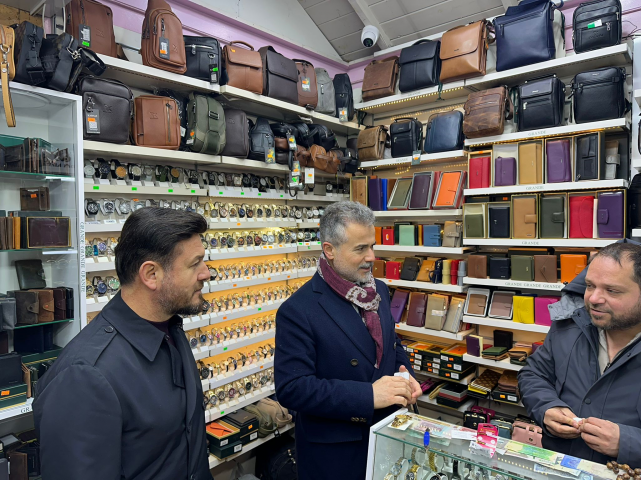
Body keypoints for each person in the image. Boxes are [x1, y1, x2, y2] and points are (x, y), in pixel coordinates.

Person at [33, 208, 212, 480]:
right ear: (151, 274)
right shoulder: (84, 377)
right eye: (195, 264)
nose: (206, 273)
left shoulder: (170, 329)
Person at [275, 201, 422, 480]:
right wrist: (368, 396)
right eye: (360, 249)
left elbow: (391, 343)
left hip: (386, 437)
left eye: (372, 246)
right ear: (329, 250)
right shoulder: (298, 310)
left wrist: (405, 375)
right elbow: (292, 388)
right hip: (336, 455)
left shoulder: (379, 290)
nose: (372, 257)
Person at [519, 242, 641, 464]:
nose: (593, 299)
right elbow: (533, 374)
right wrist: (546, 407)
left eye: (612, 290)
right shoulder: (569, 326)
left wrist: (628, 443)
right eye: (590, 286)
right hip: (558, 467)